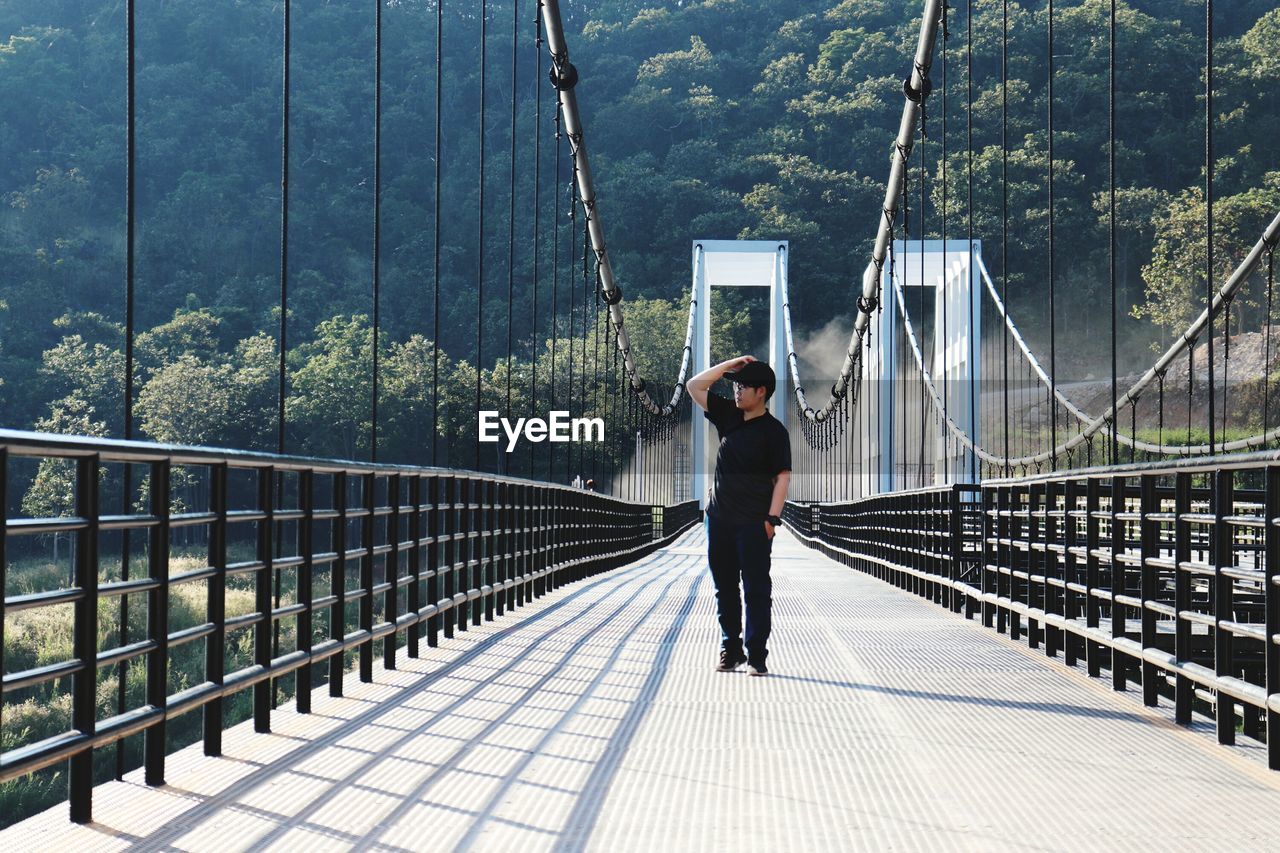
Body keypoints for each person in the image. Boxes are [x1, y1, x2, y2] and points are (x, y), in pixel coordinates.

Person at [688, 355, 791, 676]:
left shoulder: (774, 432)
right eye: (735, 386)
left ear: (762, 392)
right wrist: (729, 366)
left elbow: (782, 478)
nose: (736, 391)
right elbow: (694, 386)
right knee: (725, 588)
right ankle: (730, 649)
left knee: (756, 589)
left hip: (754, 523)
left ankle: (757, 654)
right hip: (718, 519)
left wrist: (771, 521)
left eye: (743, 386)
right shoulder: (728, 416)